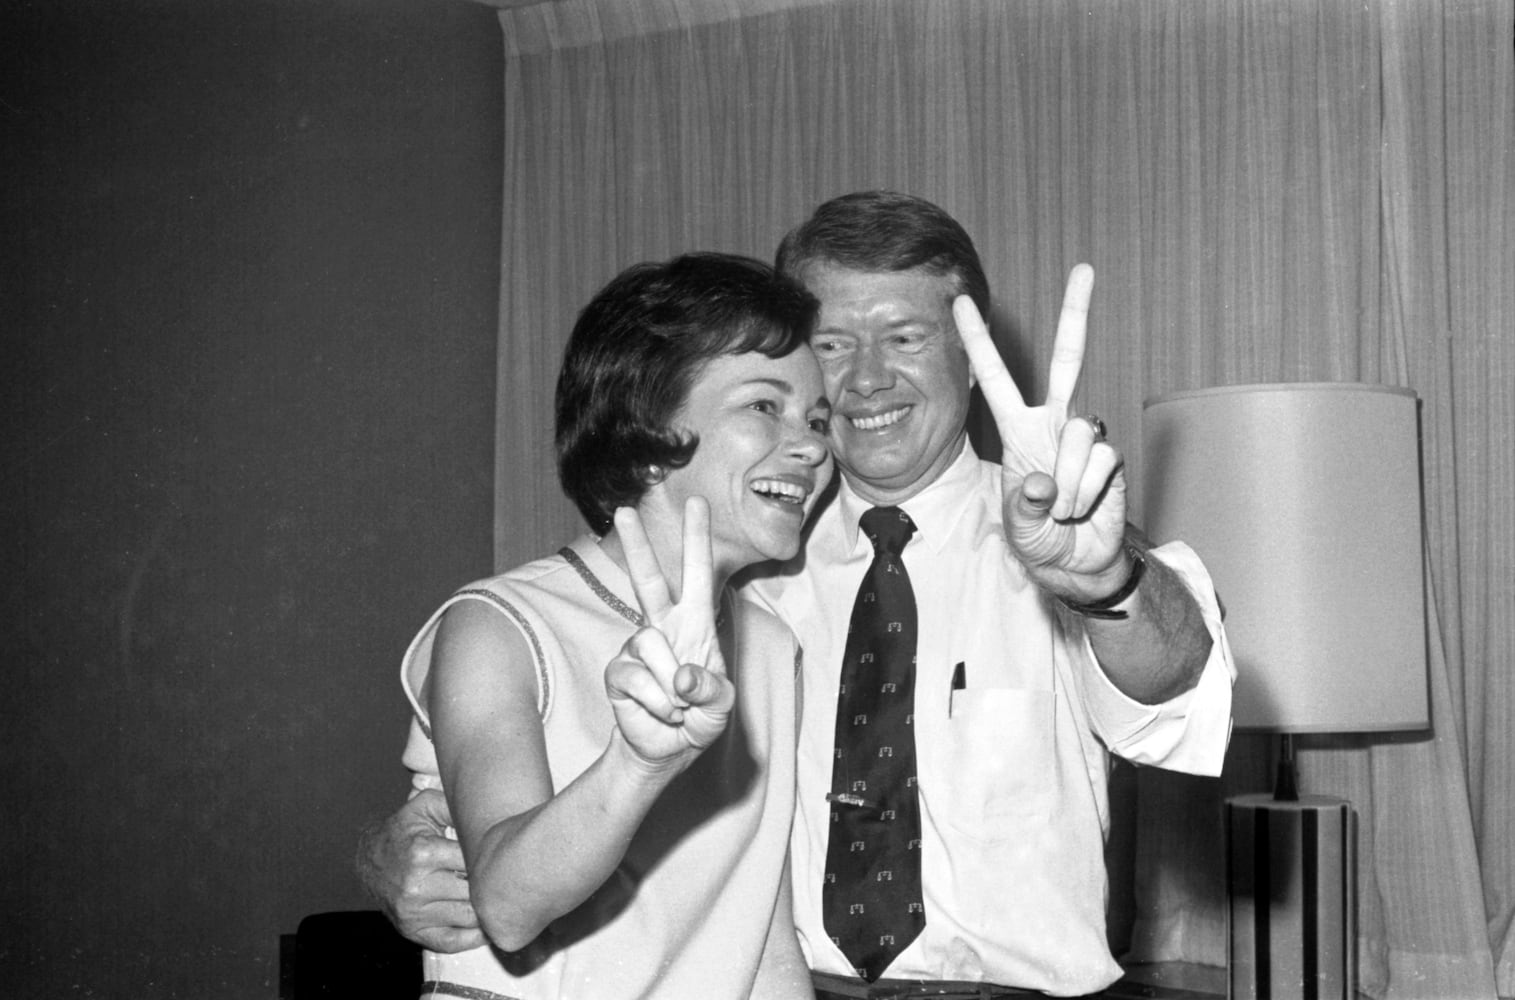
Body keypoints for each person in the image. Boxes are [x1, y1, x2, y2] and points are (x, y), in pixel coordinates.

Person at [362, 193, 1233, 998]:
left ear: (975, 364)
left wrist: (1101, 576)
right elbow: (499, 794)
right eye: (830, 347)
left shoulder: (1059, 533)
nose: (864, 381)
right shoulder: (749, 563)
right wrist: (393, 855)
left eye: (904, 337)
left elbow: (1174, 679)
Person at [393, 251, 832, 999]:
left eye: (816, 419)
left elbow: (763, 944)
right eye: (765, 406)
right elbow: (506, 905)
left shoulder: (768, 646)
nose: (814, 444)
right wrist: (640, 764)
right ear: (648, 432)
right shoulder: (496, 626)